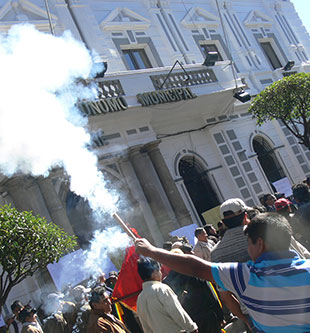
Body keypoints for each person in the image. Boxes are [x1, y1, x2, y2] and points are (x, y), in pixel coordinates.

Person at [135, 213, 310, 332]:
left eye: (249, 243)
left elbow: (197, 267)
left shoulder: (247, 276)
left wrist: (151, 251)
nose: (248, 250)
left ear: (260, 244)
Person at [136, 257, 198, 333]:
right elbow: (177, 312)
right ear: (154, 273)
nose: (161, 273)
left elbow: (146, 328)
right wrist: (191, 328)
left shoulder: (139, 299)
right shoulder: (161, 289)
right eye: (159, 270)